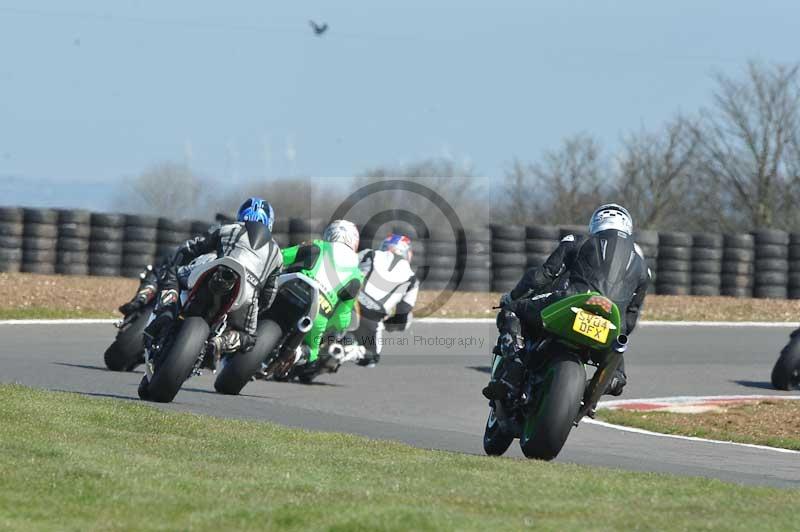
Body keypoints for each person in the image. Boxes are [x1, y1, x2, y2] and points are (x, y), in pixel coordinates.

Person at [483, 203, 650, 400]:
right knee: (617, 370)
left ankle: (513, 373)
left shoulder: (579, 241)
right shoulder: (644, 269)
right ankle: (603, 385)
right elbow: (630, 318)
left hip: (573, 301)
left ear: (596, 223)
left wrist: (511, 297)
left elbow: (541, 277)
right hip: (612, 324)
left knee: (512, 311)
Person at [144, 198, 283, 360]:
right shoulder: (277, 254)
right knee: (249, 338)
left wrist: (177, 258)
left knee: (174, 272)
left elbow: (192, 247)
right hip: (247, 294)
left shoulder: (227, 228)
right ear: (270, 223)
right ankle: (220, 343)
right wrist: (258, 309)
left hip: (215, 270)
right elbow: (269, 295)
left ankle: (165, 311)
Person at [280, 219, 365, 377]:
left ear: (329, 235)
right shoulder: (356, 274)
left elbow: (281, 257)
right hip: (320, 311)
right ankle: (298, 355)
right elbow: (342, 317)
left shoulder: (318, 245)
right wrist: (335, 329)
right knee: (313, 352)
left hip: (292, 289)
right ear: (355, 242)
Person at [352, 233, 419, 367]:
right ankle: (351, 351)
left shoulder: (369, 254)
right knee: (371, 358)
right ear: (407, 253)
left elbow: (344, 269)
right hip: (374, 316)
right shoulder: (412, 279)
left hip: (351, 303)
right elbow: (403, 313)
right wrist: (390, 324)